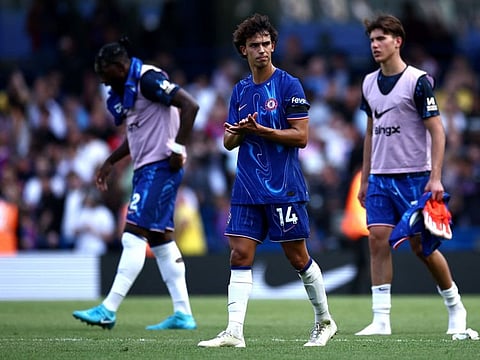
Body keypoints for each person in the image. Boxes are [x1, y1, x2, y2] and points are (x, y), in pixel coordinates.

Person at [197, 14, 336, 348]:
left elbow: (301, 136)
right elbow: (228, 142)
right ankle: (234, 332)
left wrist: (262, 131)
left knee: (297, 258)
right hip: (247, 186)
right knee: (239, 254)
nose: (261, 50)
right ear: (243, 50)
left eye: (266, 44)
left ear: (273, 46)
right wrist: (240, 131)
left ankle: (325, 321)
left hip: (283, 186)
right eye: (254, 45)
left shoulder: (290, 85)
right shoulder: (240, 90)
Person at [72, 37, 199, 330]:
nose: (104, 83)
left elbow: (190, 106)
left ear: (119, 67)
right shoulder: (129, 89)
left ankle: (109, 308)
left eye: (105, 75)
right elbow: (137, 134)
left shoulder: (148, 80)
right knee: (160, 240)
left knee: (132, 235)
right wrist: (110, 161)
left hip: (160, 166)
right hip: (147, 168)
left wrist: (178, 149)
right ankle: (183, 313)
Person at [356, 14, 469, 336]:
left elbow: (438, 131)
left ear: (397, 42)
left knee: (423, 248)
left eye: (381, 39)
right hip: (380, 175)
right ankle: (381, 320)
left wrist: (436, 177)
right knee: (377, 240)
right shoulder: (367, 83)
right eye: (372, 40)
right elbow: (370, 133)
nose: (375, 45)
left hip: (414, 176)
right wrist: (365, 178)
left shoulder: (418, 81)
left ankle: (455, 306)